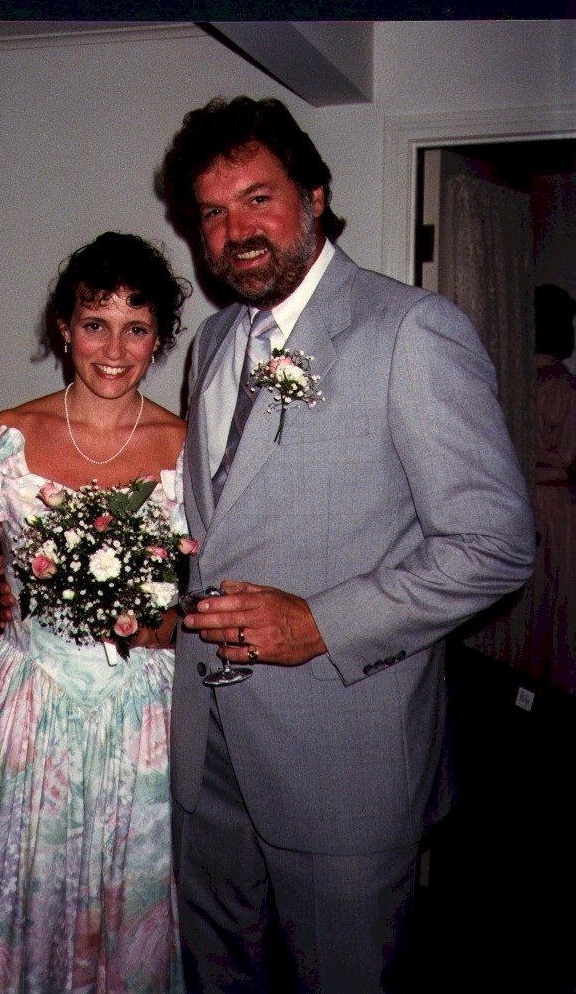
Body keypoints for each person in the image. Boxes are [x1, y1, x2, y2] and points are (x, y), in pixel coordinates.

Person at [159, 96, 536, 994]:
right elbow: (214, 528)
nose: (234, 231)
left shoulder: (410, 329)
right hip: (207, 749)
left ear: (316, 196)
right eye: (212, 213)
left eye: (257, 198)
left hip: (341, 757)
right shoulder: (212, 342)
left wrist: (321, 621)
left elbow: (494, 543)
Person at [0, 232, 191, 994]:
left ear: (159, 335)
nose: (114, 350)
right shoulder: (4, 438)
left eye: (136, 327)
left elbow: (203, 594)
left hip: (142, 710)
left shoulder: (188, 447)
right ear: (64, 327)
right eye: (95, 323)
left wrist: (161, 622)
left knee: (132, 909)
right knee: (16, 895)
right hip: (28, 702)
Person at [521, 283, 576, 690]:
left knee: (533, 602)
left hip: (523, 502)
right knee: (562, 603)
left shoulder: (517, 380)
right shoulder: (562, 386)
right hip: (557, 505)